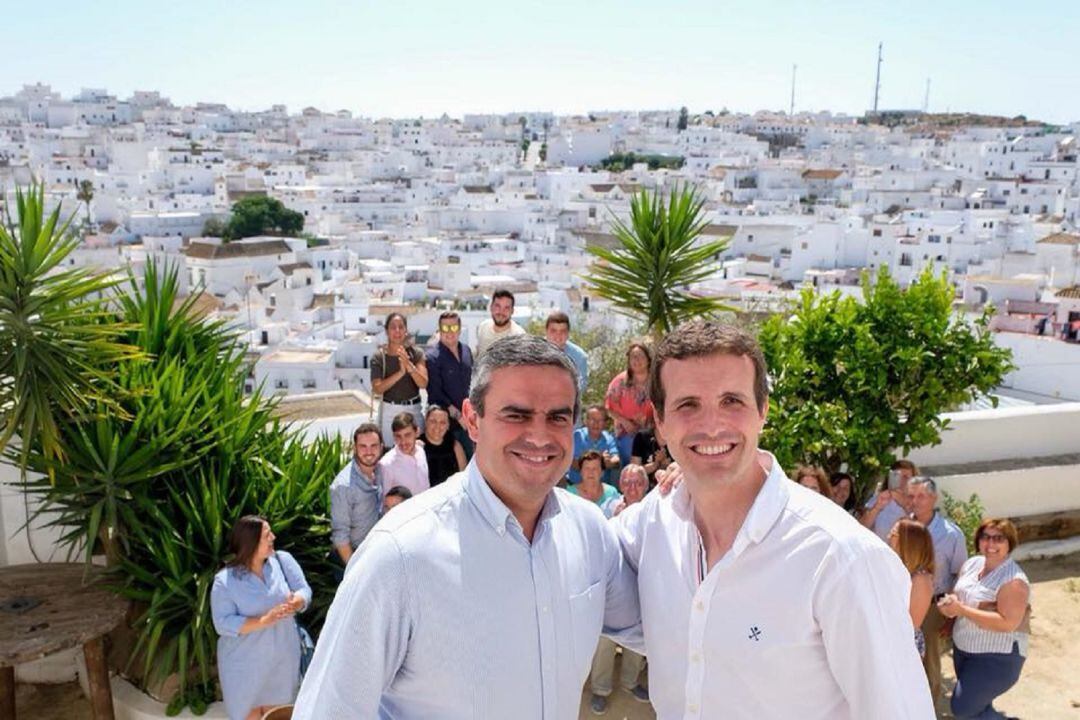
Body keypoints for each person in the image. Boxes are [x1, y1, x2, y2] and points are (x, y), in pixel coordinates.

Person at [293, 335, 640, 719]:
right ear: (473, 420)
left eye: (558, 416)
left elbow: (659, 626)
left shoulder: (590, 531)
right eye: (517, 414)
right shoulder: (399, 556)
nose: (540, 435)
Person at [613, 321, 932, 719]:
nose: (711, 424)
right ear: (659, 422)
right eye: (687, 404)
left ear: (763, 411)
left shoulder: (841, 557)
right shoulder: (652, 524)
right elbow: (575, 565)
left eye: (732, 401)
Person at [211, 516, 311, 720]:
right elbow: (222, 623)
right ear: (251, 542)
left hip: (283, 661)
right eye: (267, 535)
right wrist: (264, 620)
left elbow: (304, 589)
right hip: (244, 667)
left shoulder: (282, 560)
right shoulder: (224, 581)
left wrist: (298, 601)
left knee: (278, 715)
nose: (273, 537)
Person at [938, 519, 1031, 720]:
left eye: (999, 539)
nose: (991, 544)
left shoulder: (1013, 581)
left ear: (1009, 543)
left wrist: (961, 609)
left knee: (963, 708)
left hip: (996, 657)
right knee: (977, 708)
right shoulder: (973, 564)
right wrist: (950, 607)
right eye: (985, 537)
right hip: (964, 648)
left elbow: (1007, 623)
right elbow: (958, 593)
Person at [588, 463, 651, 714]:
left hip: (645, 588)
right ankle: (600, 689)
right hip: (611, 591)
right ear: (621, 485)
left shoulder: (655, 510)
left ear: (645, 486)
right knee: (605, 640)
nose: (632, 487)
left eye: (637, 482)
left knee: (639, 640)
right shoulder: (609, 507)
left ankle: (630, 682)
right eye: (627, 482)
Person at [909, 476, 969, 708]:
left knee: (930, 662)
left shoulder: (951, 535)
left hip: (934, 607)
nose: (915, 501)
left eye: (921, 496)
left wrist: (949, 615)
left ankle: (928, 709)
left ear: (934, 498)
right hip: (904, 604)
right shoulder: (903, 527)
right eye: (911, 496)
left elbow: (960, 574)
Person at [329, 424, 384, 567]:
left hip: (373, 552)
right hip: (350, 557)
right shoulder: (344, 486)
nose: (369, 452)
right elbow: (340, 536)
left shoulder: (379, 470)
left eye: (373, 446)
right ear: (354, 448)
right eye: (363, 446)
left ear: (381, 447)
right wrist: (354, 569)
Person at [370, 312, 428, 446]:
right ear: (386, 331)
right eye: (393, 327)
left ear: (406, 330)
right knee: (390, 453)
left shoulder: (416, 353)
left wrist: (409, 366)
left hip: (414, 409)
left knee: (416, 452)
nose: (397, 331)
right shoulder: (379, 357)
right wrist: (400, 373)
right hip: (389, 410)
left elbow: (423, 383)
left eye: (401, 327)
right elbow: (377, 388)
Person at [426, 310, 475, 457]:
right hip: (447, 426)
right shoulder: (432, 357)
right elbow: (435, 393)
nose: (449, 332)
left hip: (469, 421)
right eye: (445, 328)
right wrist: (459, 416)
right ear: (440, 330)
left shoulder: (466, 350)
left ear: (459, 329)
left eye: (453, 328)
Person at [888, 519, 936, 658]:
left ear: (909, 541)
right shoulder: (903, 571)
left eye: (894, 534)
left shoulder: (920, 579)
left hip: (903, 646)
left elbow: (911, 623)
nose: (889, 537)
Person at [605, 341, 655, 466]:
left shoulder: (656, 381)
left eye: (640, 356)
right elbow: (609, 408)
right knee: (630, 463)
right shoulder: (620, 381)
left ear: (648, 359)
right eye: (633, 357)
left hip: (652, 431)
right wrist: (626, 423)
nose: (637, 360)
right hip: (627, 432)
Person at [861, 459, 919, 541]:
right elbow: (862, 527)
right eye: (897, 476)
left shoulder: (920, 502)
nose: (901, 480)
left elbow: (922, 531)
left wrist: (903, 504)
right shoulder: (879, 499)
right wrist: (877, 507)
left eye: (906, 477)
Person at [377, 412, 430, 497]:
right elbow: (384, 500)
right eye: (398, 436)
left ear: (417, 432)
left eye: (407, 435)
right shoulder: (386, 464)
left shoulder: (421, 451)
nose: (403, 442)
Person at [569, 405, 620, 485]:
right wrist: (601, 462)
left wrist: (609, 462)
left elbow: (616, 461)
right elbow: (572, 463)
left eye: (600, 420)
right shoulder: (576, 436)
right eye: (592, 419)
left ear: (605, 423)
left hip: (601, 487)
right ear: (586, 421)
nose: (596, 423)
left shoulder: (609, 438)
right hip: (576, 486)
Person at [420, 404, 466, 486]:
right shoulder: (418, 446)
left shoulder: (455, 446)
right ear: (426, 422)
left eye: (442, 422)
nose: (438, 426)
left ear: (448, 426)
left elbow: (463, 476)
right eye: (433, 421)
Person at [474, 288, 526, 357]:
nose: (501, 312)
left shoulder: (519, 336)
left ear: (512, 311)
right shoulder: (483, 327)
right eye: (498, 306)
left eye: (506, 308)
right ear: (491, 307)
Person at [545, 310, 588, 393]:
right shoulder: (534, 351)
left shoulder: (580, 357)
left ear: (568, 333)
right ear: (546, 331)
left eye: (562, 331)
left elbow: (581, 386)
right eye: (553, 331)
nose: (558, 336)